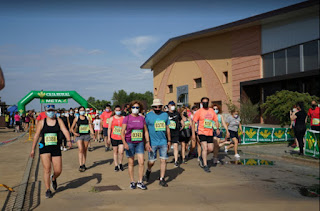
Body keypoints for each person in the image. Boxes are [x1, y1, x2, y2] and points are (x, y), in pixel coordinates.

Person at [30, 104, 71, 198]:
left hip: (56, 146)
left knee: (58, 170)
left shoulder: (58, 121)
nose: (51, 112)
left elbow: (65, 130)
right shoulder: (41, 122)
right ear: (45, 112)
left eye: (52, 110)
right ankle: (47, 189)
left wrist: (68, 140)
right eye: (49, 110)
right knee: (47, 169)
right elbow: (36, 135)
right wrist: (33, 149)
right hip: (44, 146)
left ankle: (53, 178)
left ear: (55, 111)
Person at [122, 101, 151, 190]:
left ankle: (140, 181)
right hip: (129, 142)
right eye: (133, 107)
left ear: (140, 109)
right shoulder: (127, 118)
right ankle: (132, 181)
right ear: (130, 109)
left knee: (141, 162)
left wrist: (147, 142)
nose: (135, 109)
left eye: (137, 107)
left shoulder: (142, 118)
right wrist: (124, 143)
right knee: (131, 162)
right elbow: (122, 132)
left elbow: (145, 131)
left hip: (140, 143)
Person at [144, 99, 171, 187]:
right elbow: (145, 130)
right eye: (156, 106)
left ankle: (162, 179)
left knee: (163, 160)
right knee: (151, 161)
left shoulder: (165, 115)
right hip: (152, 142)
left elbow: (167, 128)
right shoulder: (148, 116)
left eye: (159, 106)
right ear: (153, 107)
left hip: (163, 141)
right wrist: (147, 142)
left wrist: (169, 140)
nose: (158, 108)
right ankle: (148, 170)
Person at [192, 97, 219, 173]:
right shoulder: (199, 112)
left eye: (206, 102)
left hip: (209, 132)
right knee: (205, 148)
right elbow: (193, 122)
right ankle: (205, 165)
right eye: (204, 102)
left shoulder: (211, 111)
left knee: (210, 148)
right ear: (201, 103)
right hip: (201, 132)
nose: (205, 103)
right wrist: (193, 134)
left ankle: (201, 157)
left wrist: (217, 128)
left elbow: (216, 120)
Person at [70, 106, 94, 172]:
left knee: (85, 150)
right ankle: (80, 165)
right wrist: (75, 133)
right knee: (80, 149)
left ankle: (83, 164)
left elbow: (90, 126)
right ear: (78, 111)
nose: (82, 111)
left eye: (83, 110)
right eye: (81, 110)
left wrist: (93, 134)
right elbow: (71, 128)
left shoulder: (87, 118)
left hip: (86, 135)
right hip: (79, 136)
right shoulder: (76, 118)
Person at [167, 101, 184, 167]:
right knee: (168, 146)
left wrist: (183, 124)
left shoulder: (177, 113)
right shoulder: (166, 114)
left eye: (174, 105)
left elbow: (180, 119)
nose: (173, 106)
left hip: (176, 131)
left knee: (176, 146)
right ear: (168, 106)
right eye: (171, 105)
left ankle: (176, 161)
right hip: (168, 132)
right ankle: (164, 157)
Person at [108, 105, 125, 172]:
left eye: (119, 110)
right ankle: (116, 165)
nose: (118, 111)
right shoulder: (111, 118)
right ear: (114, 111)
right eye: (116, 110)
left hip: (121, 137)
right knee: (115, 151)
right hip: (114, 137)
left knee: (121, 152)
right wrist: (109, 138)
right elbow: (109, 128)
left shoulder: (123, 118)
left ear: (121, 110)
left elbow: (126, 127)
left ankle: (120, 163)